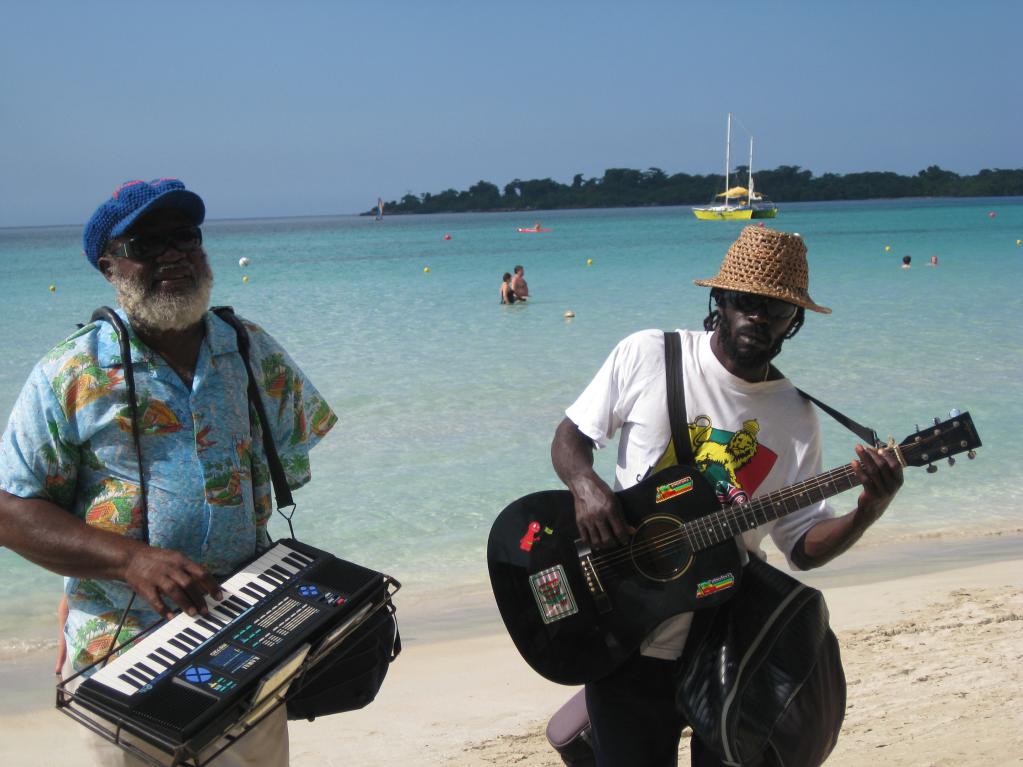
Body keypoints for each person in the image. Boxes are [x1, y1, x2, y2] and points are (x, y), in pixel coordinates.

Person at [0, 178, 337, 767]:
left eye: (184, 236)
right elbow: (11, 510)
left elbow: (282, 470)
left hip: (246, 640)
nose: (173, 254)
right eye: (146, 245)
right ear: (110, 268)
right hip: (122, 655)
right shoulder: (71, 371)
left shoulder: (251, 349)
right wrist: (127, 560)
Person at [550, 225, 904, 766]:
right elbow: (571, 436)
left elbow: (801, 547)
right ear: (720, 299)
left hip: (726, 647)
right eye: (745, 301)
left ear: (795, 321)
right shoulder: (650, 354)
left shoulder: (795, 416)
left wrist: (868, 510)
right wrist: (585, 485)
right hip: (625, 628)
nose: (758, 317)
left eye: (777, 309)